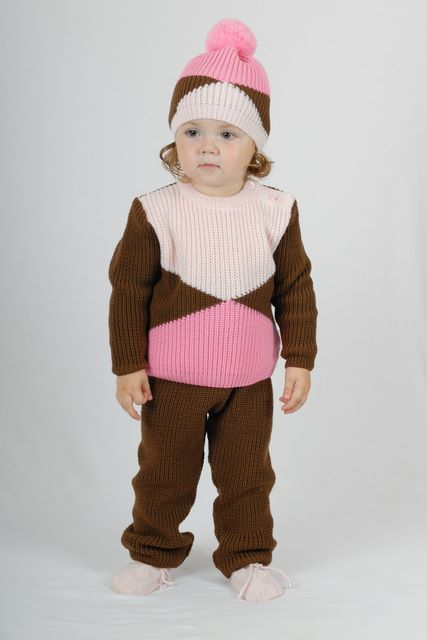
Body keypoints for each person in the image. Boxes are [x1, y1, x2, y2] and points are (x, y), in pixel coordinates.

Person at [107, 18, 318, 603]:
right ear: (174, 140)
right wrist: (128, 364)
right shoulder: (155, 209)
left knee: (247, 475)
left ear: (255, 148)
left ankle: (247, 557)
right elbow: (129, 289)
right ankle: (152, 552)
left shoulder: (277, 209)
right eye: (192, 130)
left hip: (248, 380)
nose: (206, 145)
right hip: (171, 377)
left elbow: (296, 287)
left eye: (228, 133)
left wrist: (300, 358)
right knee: (164, 472)